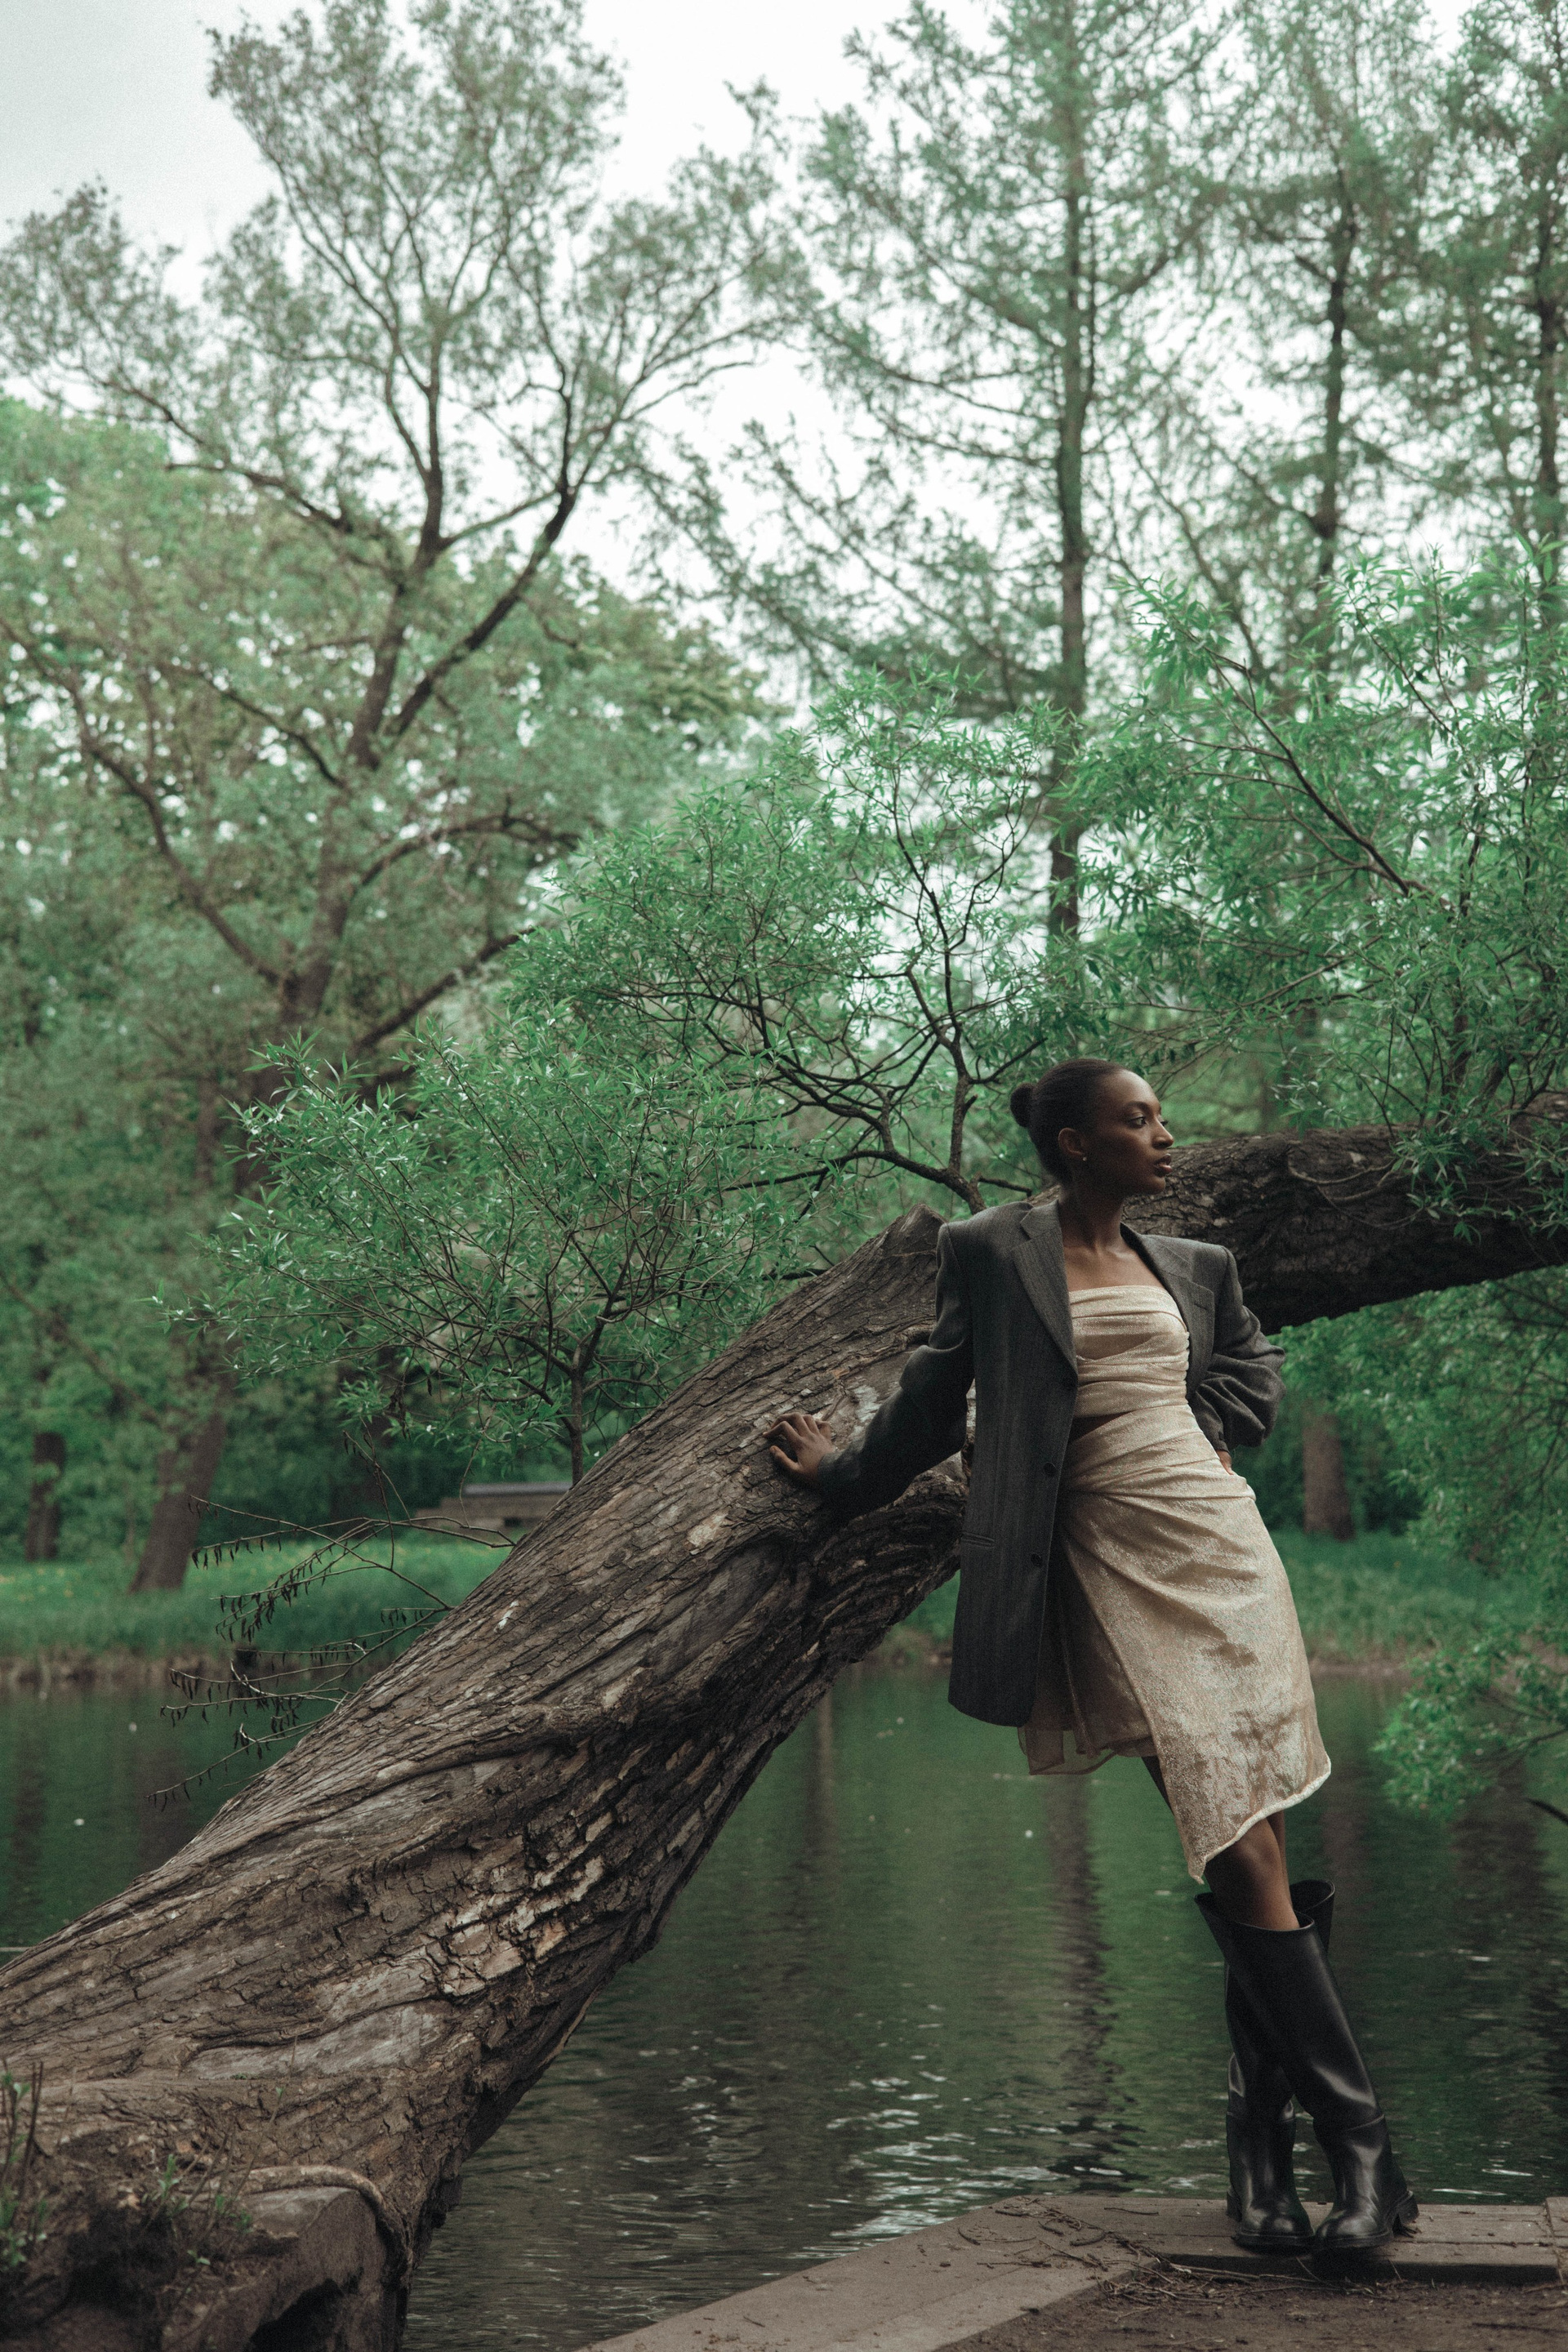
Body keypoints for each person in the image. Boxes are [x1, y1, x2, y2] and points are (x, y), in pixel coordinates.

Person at [768, 1058, 1417, 2256]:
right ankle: (1363, 2154)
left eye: (1162, 1115)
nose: (1165, 1134)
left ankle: (1267, 2157)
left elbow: (1250, 1370)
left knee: (1254, 1839)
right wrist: (846, 1475)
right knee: (1232, 1835)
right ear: (1074, 1142)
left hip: (1221, 1550)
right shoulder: (988, 1251)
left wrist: (1211, 1430)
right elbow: (934, 1395)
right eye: (1138, 1118)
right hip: (1106, 1557)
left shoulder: (1195, 1266)